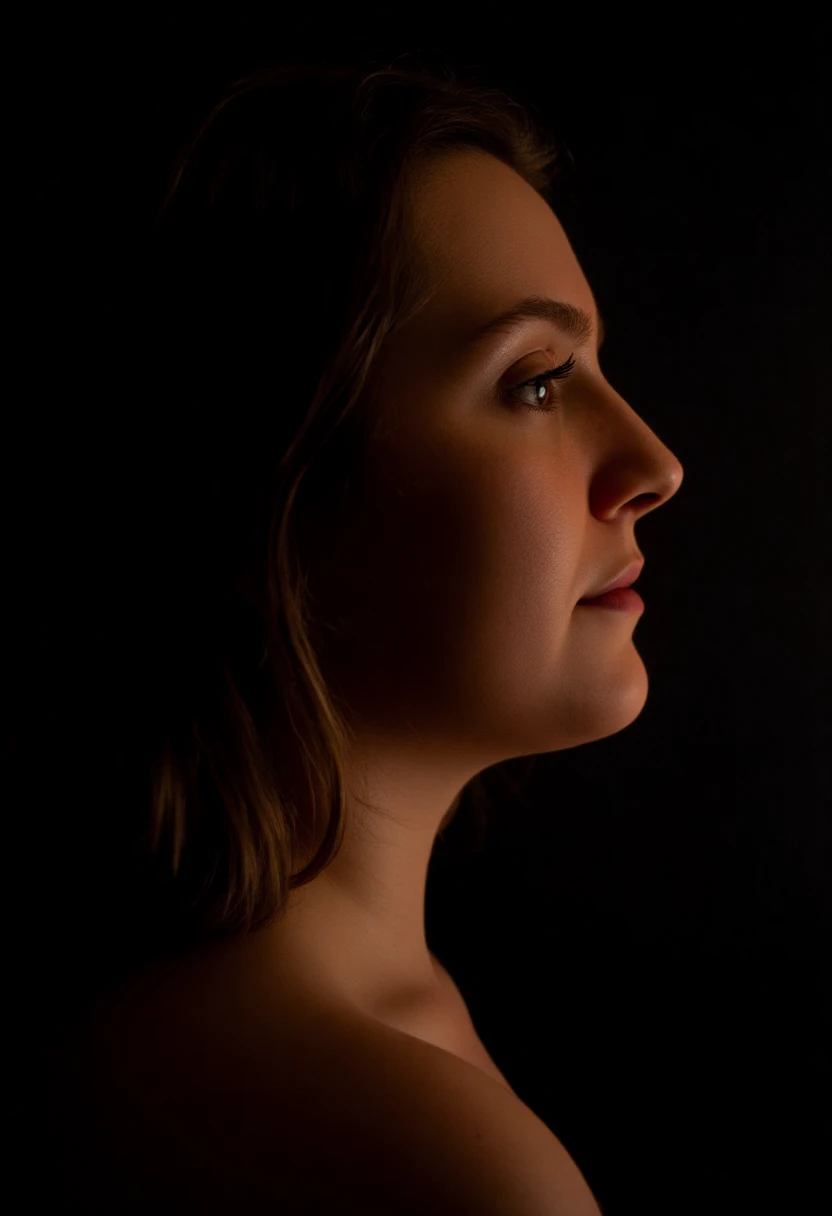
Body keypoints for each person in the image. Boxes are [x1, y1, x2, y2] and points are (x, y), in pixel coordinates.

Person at [45, 52, 683, 1213]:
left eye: (594, 367)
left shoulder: (184, 1024)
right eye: (537, 381)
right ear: (265, 497)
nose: (653, 464)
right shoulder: (435, 1161)